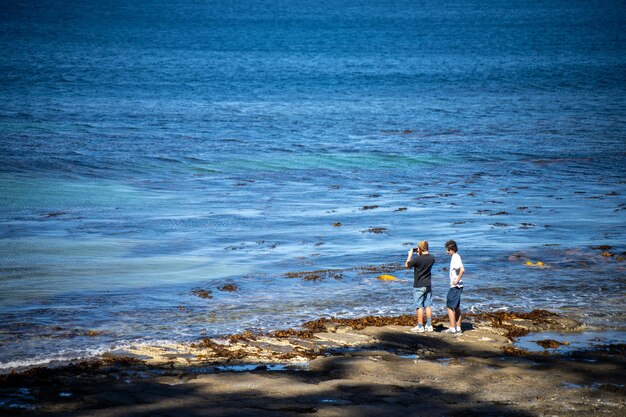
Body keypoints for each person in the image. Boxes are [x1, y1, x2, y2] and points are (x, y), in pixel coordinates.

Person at [405, 240, 435, 333]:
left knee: (419, 306)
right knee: (428, 305)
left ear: (420, 249)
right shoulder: (432, 258)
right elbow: (423, 262)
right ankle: (429, 325)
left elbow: (407, 265)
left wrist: (410, 255)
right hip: (428, 284)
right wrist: (420, 254)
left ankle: (420, 326)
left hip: (419, 285)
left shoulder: (418, 259)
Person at [444, 240, 465, 334]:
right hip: (459, 286)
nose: (446, 252)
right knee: (456, 307)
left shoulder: (455, 257)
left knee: (449, 306)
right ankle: (458, 328)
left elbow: (462, 270)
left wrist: (456, 280)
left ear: (451, 249)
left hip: (455, 286)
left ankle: (453, 328)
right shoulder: (456, 256)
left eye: (447, 250)